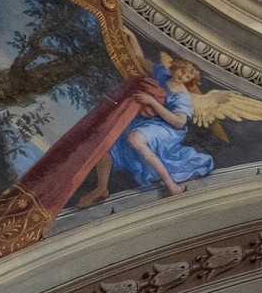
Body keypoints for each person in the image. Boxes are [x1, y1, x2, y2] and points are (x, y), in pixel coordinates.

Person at [77, 31, 212, 204]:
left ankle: (172, 185)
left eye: (187, 76)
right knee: (105, 143)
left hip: (167, 128)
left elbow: (179, 122)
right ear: (176, 66)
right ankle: (102, 187)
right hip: (147, 121)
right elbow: (138, 59)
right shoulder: (162, 74)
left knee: (135, 138)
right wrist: (132, 36)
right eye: (182, 70)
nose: (182, 76)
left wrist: (152, 102)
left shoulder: (182, 96)